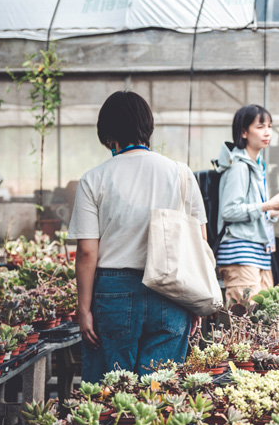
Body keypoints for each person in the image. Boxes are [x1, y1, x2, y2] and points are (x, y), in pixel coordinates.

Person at [68, 91, 207, 382]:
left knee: (111, 392)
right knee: (159, 390)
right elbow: (199, 243)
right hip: (171, 290)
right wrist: (194, 303)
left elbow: (86, 253)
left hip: (113, 294)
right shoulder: (181, 174)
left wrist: (83, 310)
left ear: (106, 133)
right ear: (148, 126)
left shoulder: (94, 179)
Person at [216, 104, 279, 307]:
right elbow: (229, 211)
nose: (267, 132)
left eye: (269, 126)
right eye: (260, 126)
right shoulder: (239, 167)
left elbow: (255, 210)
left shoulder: (257, 166)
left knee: (263, 316)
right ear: (244, 131)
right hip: (240, 251)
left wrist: (276, 210)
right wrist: (267, 205)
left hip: (258, 252)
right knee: (245, 318)